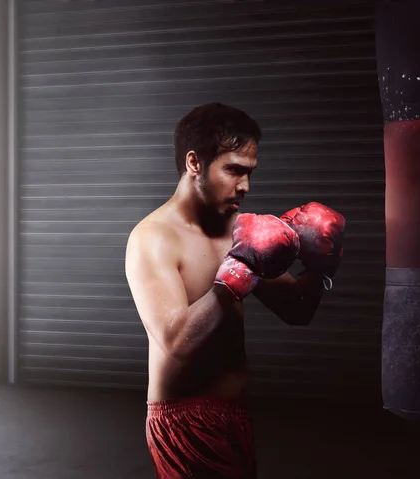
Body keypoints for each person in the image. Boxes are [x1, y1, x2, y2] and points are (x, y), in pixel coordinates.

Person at [125, 103, 345, 478]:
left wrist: (321, 266)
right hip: (184, 421)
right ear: (195, 163)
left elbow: (297, 311)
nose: (245, 185)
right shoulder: (153, 238)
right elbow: (174, 342)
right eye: (234, 170)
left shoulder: (236, 228)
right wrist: (239, 274)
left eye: (250, 173)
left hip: (235, 417)